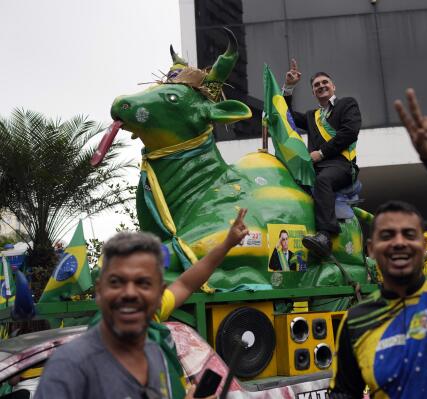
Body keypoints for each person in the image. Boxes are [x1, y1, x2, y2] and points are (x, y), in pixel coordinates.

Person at [329, 89, 427, 398]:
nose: (399, 242)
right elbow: (343, 393)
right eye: (387, 235)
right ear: (371, 249)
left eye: (409, 234)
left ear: (425, 245)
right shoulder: (357, 320)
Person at [35, 209, 249, 399]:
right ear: (100, 290)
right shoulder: (69, 368)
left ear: (158, 293)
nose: (130, 293)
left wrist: (227, 243)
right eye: (117, 282)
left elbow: (186, 283)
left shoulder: (157, 352)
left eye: (143, 283)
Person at [283, 59, 361, 257]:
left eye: (325, 82)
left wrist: (322, 153)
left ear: (333, 86)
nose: (321, 86)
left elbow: (349, 132)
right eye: (316, 85)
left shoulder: (347, 104)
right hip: (315, 168)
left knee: (323, 180)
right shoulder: (312, 115)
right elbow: (286, 116)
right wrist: (289, 88)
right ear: (313, 92)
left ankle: (325, 236)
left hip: (341, 166)